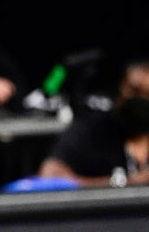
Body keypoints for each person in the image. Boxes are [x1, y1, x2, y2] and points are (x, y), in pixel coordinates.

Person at [38, 60, 149, 188]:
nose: (137, 102)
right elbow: (50, 177)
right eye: (132, 91)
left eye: (145, 94)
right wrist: (127, 183)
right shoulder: (92, 130)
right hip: (108, 206)